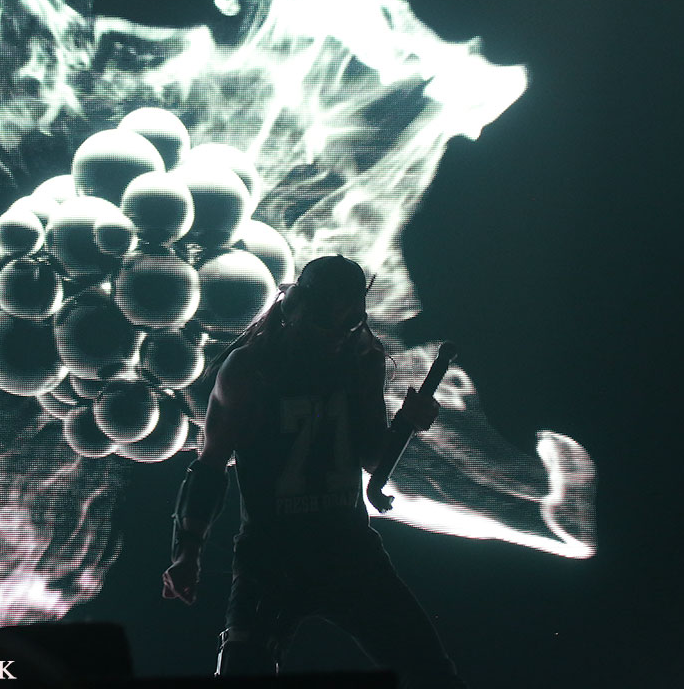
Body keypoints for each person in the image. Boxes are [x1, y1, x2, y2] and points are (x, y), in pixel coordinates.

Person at [161, 255, 464, 687]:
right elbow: (211, 463)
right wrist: (187, 552)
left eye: (350, 322)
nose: (336, 333)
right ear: (296, 307)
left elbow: (371, 458)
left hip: (347, 550)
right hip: (273, 556)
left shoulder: (361, 361)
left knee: (432, 675)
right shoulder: (250, 369)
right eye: (327, 319)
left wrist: (405, 425)